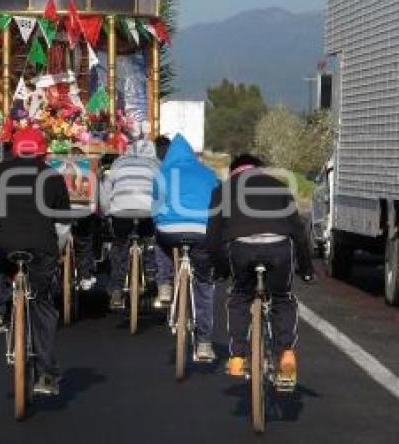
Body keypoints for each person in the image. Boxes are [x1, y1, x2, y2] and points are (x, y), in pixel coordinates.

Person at [206, 154, 314, 382]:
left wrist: (220, 268)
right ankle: (285, 355)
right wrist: (306, 268)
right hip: (279, 246)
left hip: (241, 247)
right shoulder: (279, 187)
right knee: (282, 298)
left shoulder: (222, 190)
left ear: (233, 171)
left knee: (239, 297)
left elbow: (213, 236)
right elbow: (299, 232)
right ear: (259, 170)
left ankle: (237, 357)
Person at [0, 127, 71, 396]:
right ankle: (45, 373)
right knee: (42, 304)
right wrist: (58, 253)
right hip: (41, 248)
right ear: (43, 151)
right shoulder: (53, 178)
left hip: (4, 245)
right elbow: (63, 226)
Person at [153, 133, 220, 362]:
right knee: (203, 283)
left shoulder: (162, 173)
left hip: (171, 230)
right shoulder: (208, 173)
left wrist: (160, 223)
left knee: (159, 240)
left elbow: (156, 208)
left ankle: (164, 284)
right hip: (201, 231)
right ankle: (204, 343)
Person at [100, 134, 162, 310]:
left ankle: (116, 290)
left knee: (119, 245)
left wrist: (107, 212)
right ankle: (151, 272)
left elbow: (106, 189)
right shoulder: (156, 164)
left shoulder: (118, 163)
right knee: (150, 238)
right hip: (147, 211)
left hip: (120, 210)